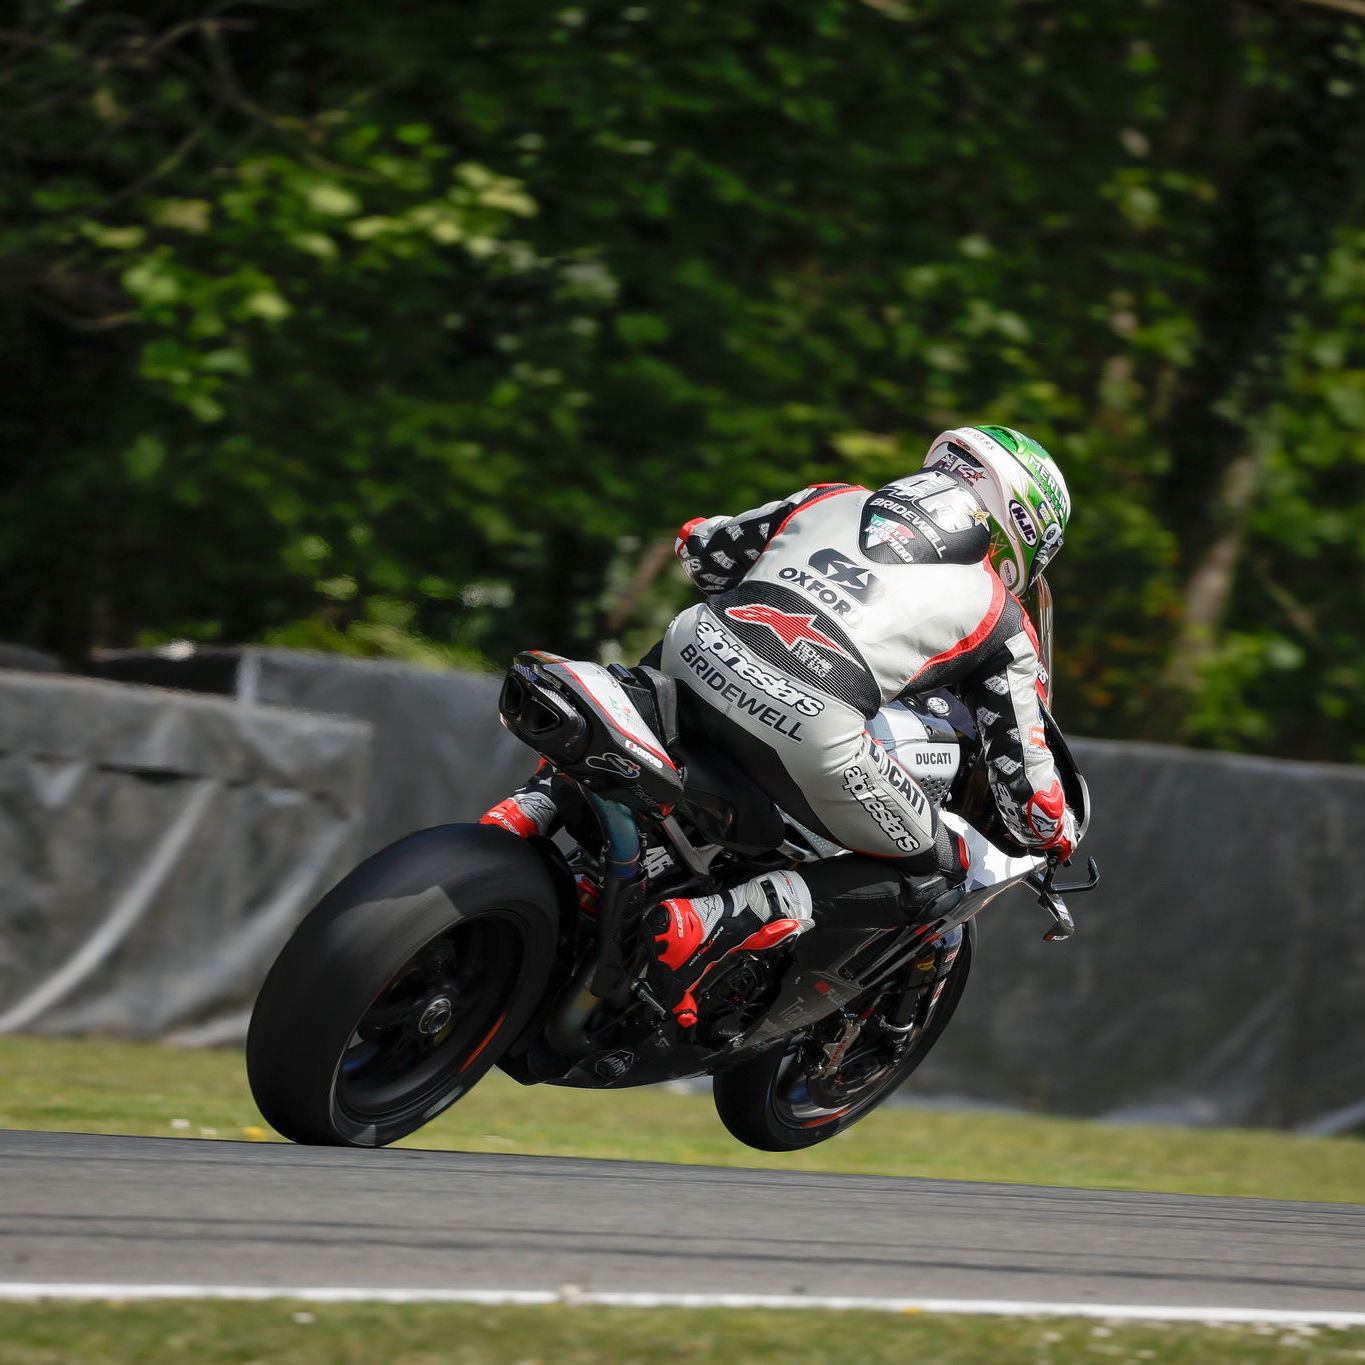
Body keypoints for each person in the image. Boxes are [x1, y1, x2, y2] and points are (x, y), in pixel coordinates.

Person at [482, 425, 1080, 1026]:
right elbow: (1025, 787)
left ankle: (531, 808)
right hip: (812, 731)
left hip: (694, 652)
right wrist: (1056, 836)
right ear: (1020, 538)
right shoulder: (1001, 617)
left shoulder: (830, 498)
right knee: (941, 874)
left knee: (639, 687)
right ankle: (719, 917)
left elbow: (703, 551)